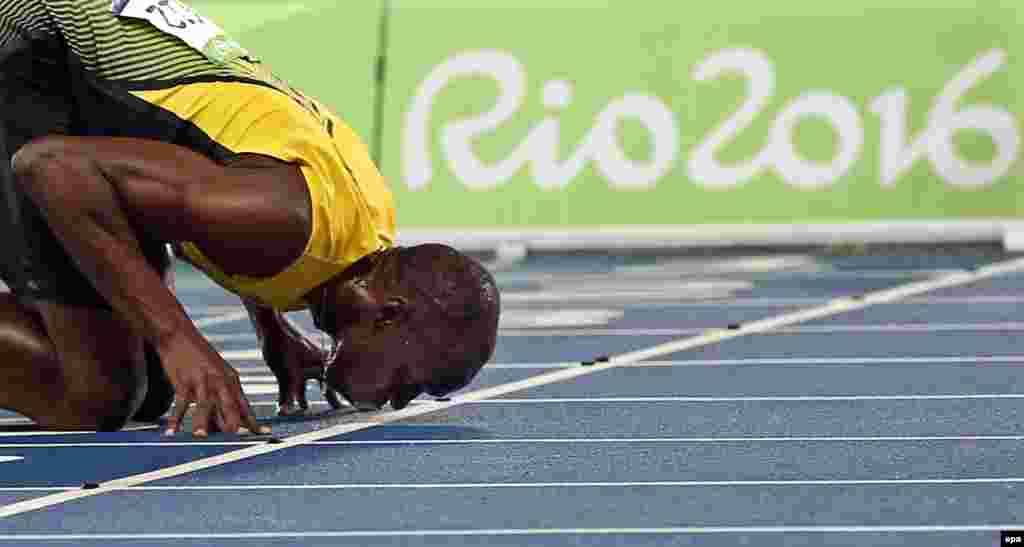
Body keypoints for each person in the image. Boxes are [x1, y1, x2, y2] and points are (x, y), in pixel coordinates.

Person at [0, 0, 500, 437]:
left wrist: (271, 325)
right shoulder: (285, 219)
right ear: (389, 314)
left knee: (153, 390)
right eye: (413, 383)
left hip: (69, 80)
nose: (397, 401)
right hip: (31, 52)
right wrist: (180, 340)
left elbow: (230, 177)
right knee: (98, 395)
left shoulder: (365, 228)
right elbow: (50, 167)